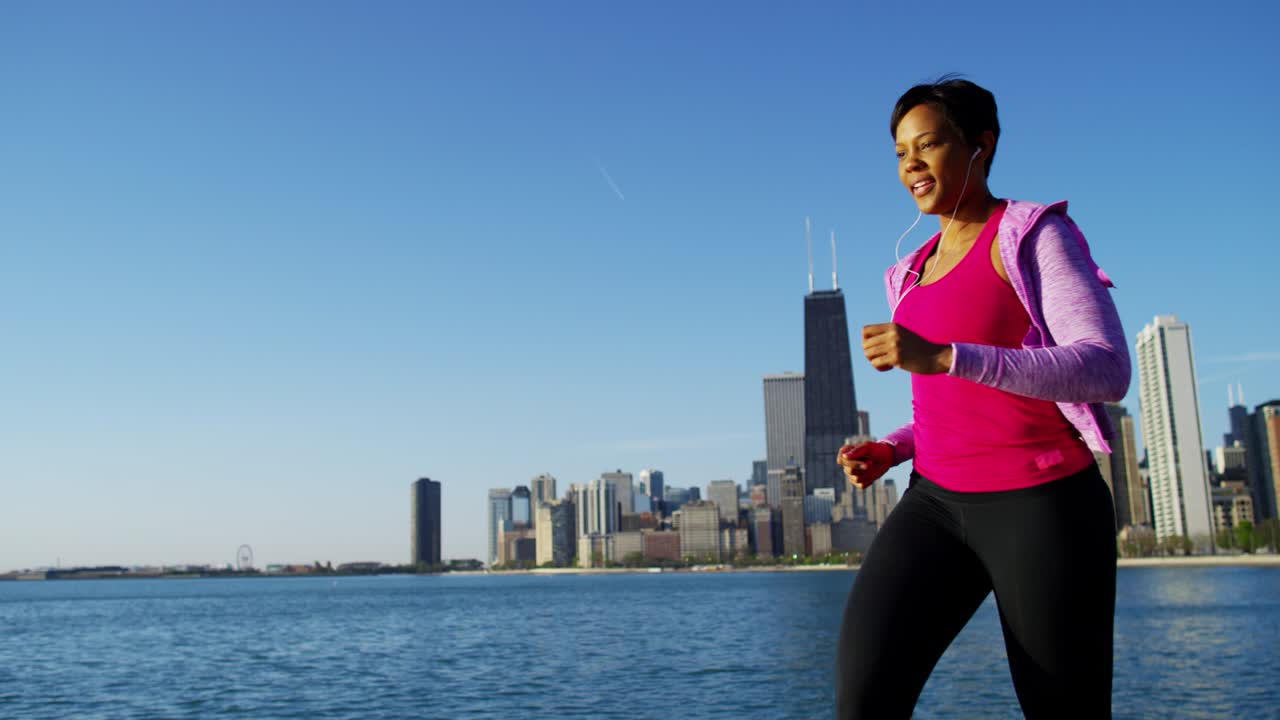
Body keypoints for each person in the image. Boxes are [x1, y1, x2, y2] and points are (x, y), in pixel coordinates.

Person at [833, 77, 1129, 719]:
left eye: (929, 144)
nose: (911, 164)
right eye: (900, 153)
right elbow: (948, 404)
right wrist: (893, 448)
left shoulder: (1034, 236)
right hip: (934, 504)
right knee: (864, 699)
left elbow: (1105, 368)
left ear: (981, 146)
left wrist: (944, 355)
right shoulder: (907, 272)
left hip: (1041, 504)